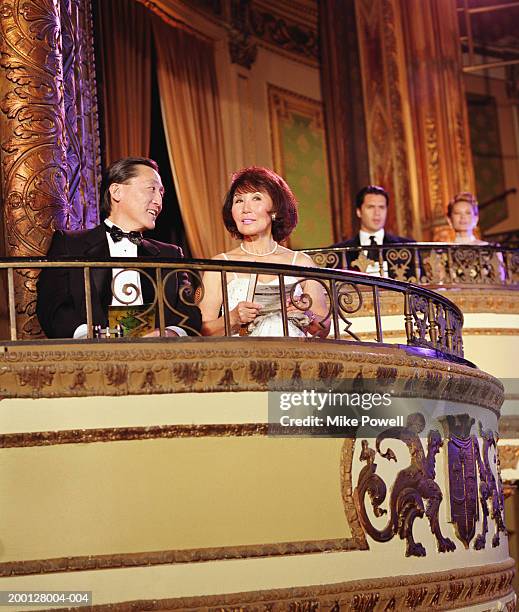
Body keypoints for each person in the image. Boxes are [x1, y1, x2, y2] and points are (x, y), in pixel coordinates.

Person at [36, 157, 201, 339]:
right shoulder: (70, 244)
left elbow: (189, 313)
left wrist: (169, 334)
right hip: (89, 359)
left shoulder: (171, 254)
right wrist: (91, 337)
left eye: (161, 193)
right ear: (116, 191)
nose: (158, 201)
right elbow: (52, 305)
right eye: (152, 189)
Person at [199, 167, 330, 338]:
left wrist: (306, 315)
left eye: (256, 198)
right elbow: (200, 331)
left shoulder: (301, 263)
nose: (245, 208)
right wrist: (232, 318)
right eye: (238, 201)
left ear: (275, 209)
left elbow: (324, 330)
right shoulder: (219, 266)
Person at [331, 185, 415, 273]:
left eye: (381, 207)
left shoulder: (409, 248)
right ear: (359, 212)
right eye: (371, 207)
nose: (377, 213)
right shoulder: (339, 253)